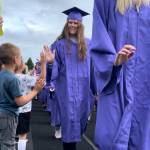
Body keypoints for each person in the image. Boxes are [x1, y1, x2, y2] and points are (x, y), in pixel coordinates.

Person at [90, 0, 150, 149]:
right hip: (116, 84)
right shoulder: (106, 2)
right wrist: (113, 61)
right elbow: (99, 38)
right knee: (112, 140)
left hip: (146, 88)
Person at [50, 7, 97, 150]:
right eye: (70, 22)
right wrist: (51, 66)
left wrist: (96, 91)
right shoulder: (59, 45)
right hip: (66, 92)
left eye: (75, 23)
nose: (72, 25)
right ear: (66, 23)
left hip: (84, 91)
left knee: (82, 123)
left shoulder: (88, 44)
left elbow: (93, 68)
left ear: (80, 25)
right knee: (68, 126)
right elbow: (54, 67)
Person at [0, 43, 45, 150]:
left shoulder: (2, 75)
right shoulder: (13, 79)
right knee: (8, 144)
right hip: (9, 115)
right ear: (15, 59)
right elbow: (19, 101)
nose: (21, 59)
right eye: (20, 57)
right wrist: (35, 91)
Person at [15, 49, 46, 150]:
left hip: (10, 111)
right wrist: (43, 64)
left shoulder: (9, 77)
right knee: (22, 135)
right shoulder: (25, 78)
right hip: (24, 111)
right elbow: (42, 79)